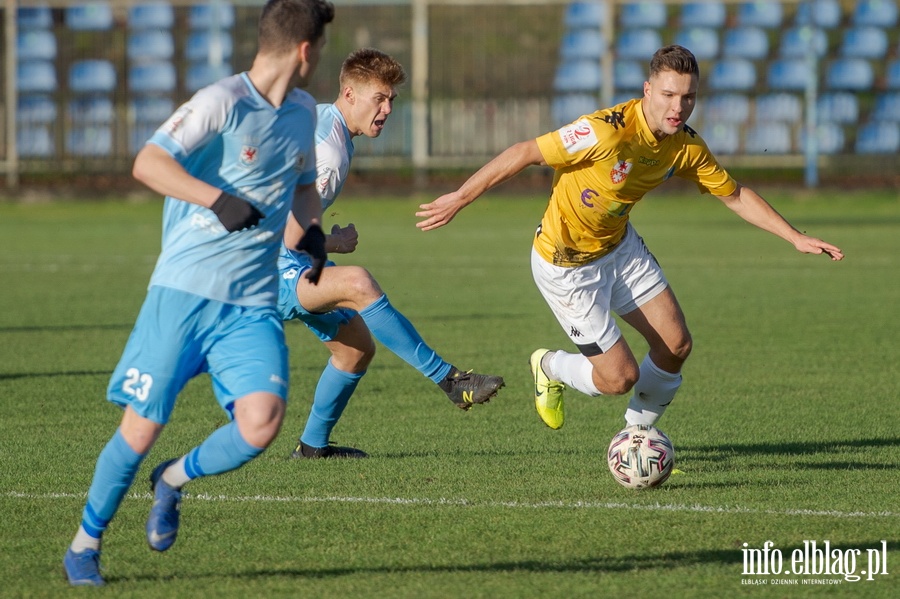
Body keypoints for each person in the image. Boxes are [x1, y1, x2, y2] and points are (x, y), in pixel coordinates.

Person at [416, 45, 843, 432]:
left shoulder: (686, 146)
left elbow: (733, 195)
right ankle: (551, 366)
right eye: (669, 95)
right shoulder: (605, 130)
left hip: (619, 249)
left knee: (677, 345)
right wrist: (460, 197)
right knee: (620, 378)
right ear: (647, 90)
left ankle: (636, 436)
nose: (679, 107)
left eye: (688, 97)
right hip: (565, 266)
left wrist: (793, 236)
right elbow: (525, 151)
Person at [62, 0, 335, 586]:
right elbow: (148, 162)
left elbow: (306, 185)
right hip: (183, 296)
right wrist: (215, 198)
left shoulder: (304, 111)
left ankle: (173, 479)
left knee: (261, 422)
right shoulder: (222, 102)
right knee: (138, 431)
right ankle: (84, 546)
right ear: (307, 51)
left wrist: (309, 229)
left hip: (251, 306)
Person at [279, 48, 505, 459]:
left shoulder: (326, 121)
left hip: (277, 256)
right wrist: (334, 242)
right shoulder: (328, 153)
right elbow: (290, 236)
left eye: (391, 100)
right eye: (377, 99)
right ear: (349, 94)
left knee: (355, 349)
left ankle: (312, 449)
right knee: (358, 281)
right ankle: (451, 381)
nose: (386, 109)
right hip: (264, 267)